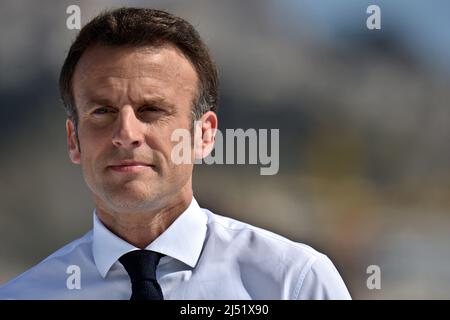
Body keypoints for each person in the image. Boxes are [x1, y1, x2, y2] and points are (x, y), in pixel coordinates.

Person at [0, 7, 351, 300]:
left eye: (151, 110)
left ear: (204, 135)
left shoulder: (294, 283)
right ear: (74, 139)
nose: (126, 135)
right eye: (102, 112)